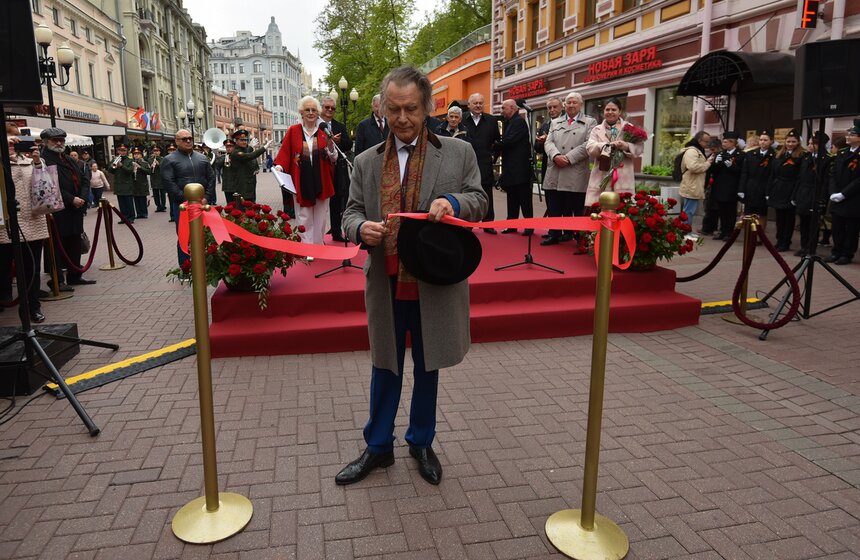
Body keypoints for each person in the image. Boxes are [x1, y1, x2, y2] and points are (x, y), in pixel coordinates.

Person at [337, 66, 487, 486]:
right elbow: (350, 212)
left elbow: (479, 200)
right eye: (394, 109)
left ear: (428, 108)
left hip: (433, 280)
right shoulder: (366, 161)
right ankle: (378, 447)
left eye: (411, 109)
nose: (402, 118)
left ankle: (421, 442)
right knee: (385, 366)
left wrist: (453, 201)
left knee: (428, 365)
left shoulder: (458, 153)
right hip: (385, 282)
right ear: (383, 109)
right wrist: (358, 229)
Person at [273, 96, 337, 245]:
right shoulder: (293, 131)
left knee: (321, 218)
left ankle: (318, 246)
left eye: (314, 110)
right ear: (301, 112)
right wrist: (279, 167)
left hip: (321, 180)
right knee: (304, 217)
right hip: (301, 181)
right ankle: (307, 249)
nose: (310, 113)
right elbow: (285, 153)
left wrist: (330, 144)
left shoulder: (324, 131)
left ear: (318, 113)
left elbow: (334, 158)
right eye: (307, 110)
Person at [1, 132, 49, 322]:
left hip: (32, 223)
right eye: (8, 142)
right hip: (5, 226)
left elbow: (46, 187)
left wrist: (37, 161)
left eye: (16, 142)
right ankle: (4, 299)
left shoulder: (32, 163)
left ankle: (32, 306)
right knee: (3, 268)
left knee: (32, 268)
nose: (13, 145)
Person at [39, 127, 95, 286]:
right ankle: (58, 281)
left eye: (61, 140)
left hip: (76, 209)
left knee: (74, 242)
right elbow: (50, 185)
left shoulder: (68, 158)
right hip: (59, 210)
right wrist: (71, 199)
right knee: (58, 245)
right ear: (46, 142)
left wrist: (82, 197)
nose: (59, 143)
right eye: (55, 140)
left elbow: (84, 178)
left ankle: (75, 275)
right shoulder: (44, 160)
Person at [541, 92, 596, 244]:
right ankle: (554, 234)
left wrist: (569, 158)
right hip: (555, 169)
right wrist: (555, 156)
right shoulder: (555, 122)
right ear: (565, 105)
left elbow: (588, 144)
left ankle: (578, 237)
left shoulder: (590, 122)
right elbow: (548, 142)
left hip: (575, 170)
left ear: (581, 105)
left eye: (574, 102)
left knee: (576, 207)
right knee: (554, 205)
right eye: (569, 102)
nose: (571, 105)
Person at [160, 129, 216, 265]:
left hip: (202, 204)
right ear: (177, 141)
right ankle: (185, 267)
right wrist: (186, 200)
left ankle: (204, 266)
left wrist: (206, 197)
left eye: (190, 138)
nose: (188, 141)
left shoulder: (202, 158)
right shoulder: (169, 159)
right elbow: (169, 183)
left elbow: (211, 178)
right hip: (182, 206)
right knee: (185, 236)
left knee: (205, 235)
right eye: (184, 139)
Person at [585, 99, 644, 206]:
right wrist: (605, 146)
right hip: (601, 174)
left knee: (622, 209)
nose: (610, 112)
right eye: (607, 109)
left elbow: (639, 148)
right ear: (603, 111)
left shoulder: (629, 128)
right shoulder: (596, 129)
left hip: (623, 177)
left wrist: (626, 146)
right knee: (599, 209)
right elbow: (590, 147)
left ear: (620, 111)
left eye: (613, 109)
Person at [462, 93, 500, 233]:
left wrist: (493, 158)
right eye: (475, 103)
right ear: (469, 105)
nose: (478, 105)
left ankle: (488, 224)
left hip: (485, 163)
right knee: (467, 193)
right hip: (466, 164)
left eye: (480, 103)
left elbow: (497, 142)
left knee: (486, 194)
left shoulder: (491, 120)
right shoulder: (462, 119)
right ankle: (467, 224)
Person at [497, 98, 534, 235]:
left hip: (520, 170)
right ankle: (511, 225)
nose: (502, 111)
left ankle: (529, 226)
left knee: (524, 200)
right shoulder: (509, 122)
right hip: (511, 169)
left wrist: (494, 145)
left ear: (512, 108)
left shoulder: (519, 122)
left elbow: (509, 141)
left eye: (503, 108)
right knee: (512, 199)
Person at [792, 131, 831, 257]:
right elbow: (799, 177)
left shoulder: (826, 159)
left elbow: (825, 181)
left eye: (812, 143)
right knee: (803, 222)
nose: (809, 146)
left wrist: (822, 197)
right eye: (808, 143)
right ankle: (804, 246)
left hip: (815, 192)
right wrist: (795, 194)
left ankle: (811, 248)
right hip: (803, 192)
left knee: (813, 223)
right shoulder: (806, 157)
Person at [827, 119, 860, 265]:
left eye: (852, 134)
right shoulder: (842, 153)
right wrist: (833, 192)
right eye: (849, 134)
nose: (848, 136)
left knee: (851, 228)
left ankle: (847, 254)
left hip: (853, 198)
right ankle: (836, 251)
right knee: (837, 226)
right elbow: (833, 174)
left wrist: (844, 194)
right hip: (838, 196)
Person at [320, 95, 353, 242]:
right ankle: (317, 237)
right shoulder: (315, 125)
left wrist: (338, 142)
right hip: (320, 169)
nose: (330, 110)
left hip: (337, 170)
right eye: (327, 107)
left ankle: (336, 232)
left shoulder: (339, 126)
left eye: (333, 108)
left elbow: (348, 144)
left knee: (337, 202)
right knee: (319, 204)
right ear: (321, 108)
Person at [768, 129, 805, 252]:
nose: (790, 144)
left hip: (791, 188)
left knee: (788, 218)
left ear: (798, 142)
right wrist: (769, 190)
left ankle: (786, 242)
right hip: (778, 188)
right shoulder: (780, 154)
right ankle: (779, 240)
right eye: (788, 141)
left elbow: (799, 176)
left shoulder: (801, 156)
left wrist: (795, 194)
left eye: (793, 141)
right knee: (779, 218)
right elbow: (772, 174)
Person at [677, 131, 715, 238]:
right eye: (706, 142)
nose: (707, 144)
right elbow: (693, 167)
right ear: (699, 140)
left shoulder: (696, 150)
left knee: (689, 210)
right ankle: (685, 232)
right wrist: (708, 163)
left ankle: (686, 230)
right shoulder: (692, 151)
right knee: (689, 211)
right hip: (692, 185)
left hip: (693, 184)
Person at [710, 131, 745, 241]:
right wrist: (715, 163)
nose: (723, 144)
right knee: (721, 210)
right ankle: (723, 231)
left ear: (732, 143)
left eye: (726, 142)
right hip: (720, 186)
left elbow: (742, 172)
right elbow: (713, 171)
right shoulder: (721, 154)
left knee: (730, 211)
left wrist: (731, 166)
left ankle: (729, 233)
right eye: (723, 142)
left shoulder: (740, 155)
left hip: (731, 187)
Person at [739, 129, 776, 234]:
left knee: (762, 213)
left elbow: (773, 175)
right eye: (761, 140)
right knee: (749, 212)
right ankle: (749, 235)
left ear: (771, 141)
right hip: (751, 186)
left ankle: (760, 235)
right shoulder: (751, 154)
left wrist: (769, 191)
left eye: (765, 140)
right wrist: (741, 189)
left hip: (764, 187)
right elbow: (745, 172)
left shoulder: (774, 156)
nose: (762, 142)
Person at [228, 129, 268, 202]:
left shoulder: (243, 150)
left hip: (249, 184)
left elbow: (248, 153)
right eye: (242, 140)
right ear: (236, 141)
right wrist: (263, 148)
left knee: (252, 204)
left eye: (246, 140)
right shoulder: (236, 152)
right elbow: (250, 156)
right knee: (244, 206)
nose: (244, 142)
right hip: (241, 186)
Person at [533, 97, 564, 187]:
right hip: (547, 167)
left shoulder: (567, 122)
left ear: (561, 107)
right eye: (549, 108)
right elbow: (537, 149)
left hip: (563, 166)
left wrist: (549, 139)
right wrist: (540, 142)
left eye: (555, 107)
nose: (552, 110)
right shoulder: (545, 125)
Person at [700, 136, 724, 235]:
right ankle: (707, 228)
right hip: (711, 185)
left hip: (719, 185)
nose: (712, 151)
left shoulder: (721, 156)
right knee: (709, 207)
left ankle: (710, 228)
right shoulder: (711, 155)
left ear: (719, 147)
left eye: (713, 149)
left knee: (715, 208)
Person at [110, 144, 137, 222]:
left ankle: (131, 217)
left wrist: (122, 166)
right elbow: (110, 170)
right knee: (121, 203)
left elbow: (130, 171)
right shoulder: (115, 159)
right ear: (118, 151)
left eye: (124, 151)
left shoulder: (130, 160)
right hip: (119, 185)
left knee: (129, 203)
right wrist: (113, 166)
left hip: (127, 185)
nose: (122, 152)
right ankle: (123, 218)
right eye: (120, 150)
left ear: (127, 151)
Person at [130, 146, 152, 219]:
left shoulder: (144, 163)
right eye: (135, 154)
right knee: (136, 199)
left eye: (138, 154)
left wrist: (140, 167)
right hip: (134, 184)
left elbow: (149, 172)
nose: (136, 155)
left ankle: (144, 213)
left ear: (141, 155)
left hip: (142, 183)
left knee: (142, 199)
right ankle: (138, 213)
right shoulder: (131, 163)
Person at [148, 145, 166, 212]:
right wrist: (151, 166)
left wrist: (159, 164)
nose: (156, 152)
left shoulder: (163, 159)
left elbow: (165, 168)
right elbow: (148, 169)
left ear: (160, 152)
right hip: (154, 178)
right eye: (154, 151)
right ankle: (158, 206)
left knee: (162, 193)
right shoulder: (150, 159)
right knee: (155, 194)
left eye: (157, 151)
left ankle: (163, 206)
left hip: (161, 178)